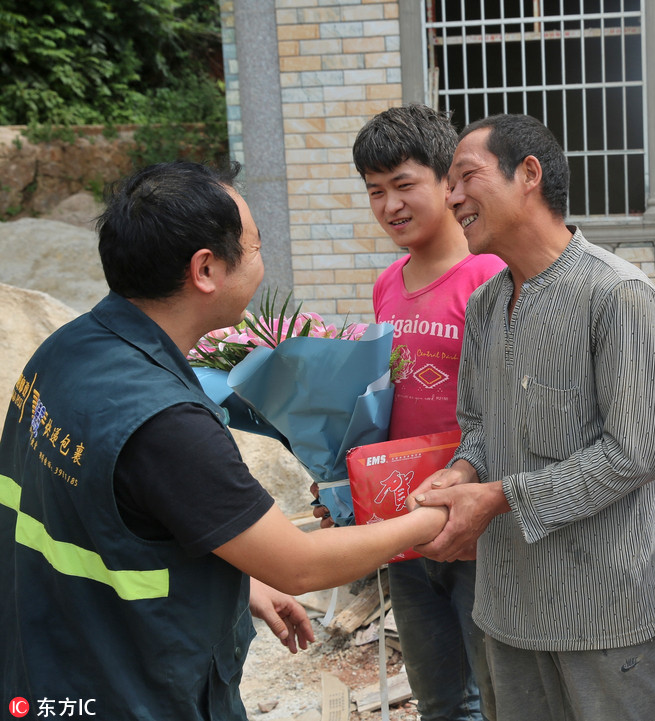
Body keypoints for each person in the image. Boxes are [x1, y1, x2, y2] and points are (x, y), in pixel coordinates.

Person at [0, 160, 447, 720]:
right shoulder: (165, 421)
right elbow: (301, 564)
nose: (262, 262)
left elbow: (110, 514)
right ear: (206, 269)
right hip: (134, 689)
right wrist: (435, 517)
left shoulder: (68, 347)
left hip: (51, 668)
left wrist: (238, 578)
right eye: (257, 248)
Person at [408, 114, 655, 721]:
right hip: (506, 606)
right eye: (448, 184)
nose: (450, 198)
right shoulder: (485, 303)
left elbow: (633, 453)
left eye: (465, 177)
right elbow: (477, 422)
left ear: (528, 174)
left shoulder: (616, 295)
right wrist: (462, 469)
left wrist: (499, 497)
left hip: (603, 615)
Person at [354, 104, 504, 721]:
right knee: (439, 698)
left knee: (495, 695)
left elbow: (505, 407)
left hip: (475, 528)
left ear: (448, 182)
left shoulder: (489, 275)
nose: (391, 205)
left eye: (404, 184)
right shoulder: (388, 281)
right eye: (375, 191)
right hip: (405, 524)